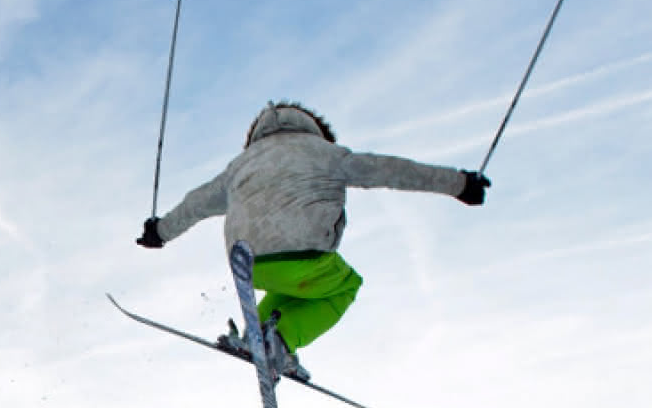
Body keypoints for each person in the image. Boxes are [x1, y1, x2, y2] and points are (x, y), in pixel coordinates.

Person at [136, 101, 488, 380]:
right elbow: (392, 171)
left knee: (296, 289)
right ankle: (282, 341)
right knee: (345, 285)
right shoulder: (327, 154)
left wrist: (160, 232)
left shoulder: (239, 166)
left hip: (249, 264)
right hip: (305, 254)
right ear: (317, 131)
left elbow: (195, 203)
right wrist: (460, 184)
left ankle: (257, 334)